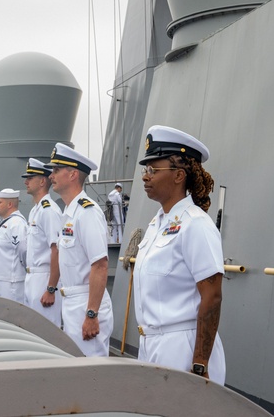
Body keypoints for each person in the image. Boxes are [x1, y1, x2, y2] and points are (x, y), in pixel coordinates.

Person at [133, 125, 226, 384]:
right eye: (145, 170)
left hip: (181, 348)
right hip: (151, 344)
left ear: (178, 175)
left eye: (154, 169)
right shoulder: (157, 224)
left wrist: (200, 363)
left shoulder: (195, 223)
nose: (145, 176)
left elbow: (213, 295)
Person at [47, 143, 112, 357]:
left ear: (73, 174)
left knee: (92, 374)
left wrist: (91, 314)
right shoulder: (70, 212)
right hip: (73, 302)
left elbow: (100, 265)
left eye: (56, 170)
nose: (51, 176)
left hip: (87, 303)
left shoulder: (87, 213)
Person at [22, 158, 63, 327]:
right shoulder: (35, 210)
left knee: (46, 329)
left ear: (42, 181)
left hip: (44, 278)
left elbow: (56, 250)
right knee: (33, 329)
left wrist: (51, 288)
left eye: (30, 178)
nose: (26, 181)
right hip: (32, 277)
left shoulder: (49, 211)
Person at [0, 188, 28, 302]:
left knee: (13, 315)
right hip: (0, 277)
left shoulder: (16, 223)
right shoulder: (5, 222)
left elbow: (23, 249)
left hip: (11, 280)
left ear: (9, 204)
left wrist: (22, 271)